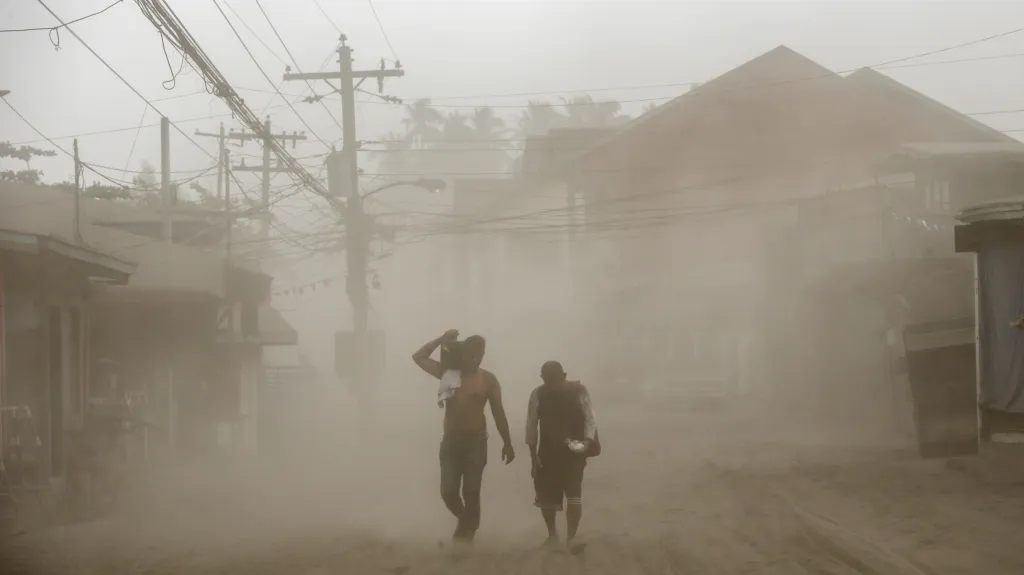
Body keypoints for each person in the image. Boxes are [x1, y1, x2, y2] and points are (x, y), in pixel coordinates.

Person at [412, 329, 515, 544]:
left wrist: (507, 442)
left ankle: (466, 536)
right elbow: (418, 357)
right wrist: (441, 339)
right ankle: (467, 521)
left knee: (471, 489)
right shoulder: (449, 374)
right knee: (448, 492)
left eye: (480, 355)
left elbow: (498, 411)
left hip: (476, 441)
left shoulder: (487, 379)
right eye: (471, 355)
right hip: (451, 441)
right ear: (462, 354)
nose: (476, 359)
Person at [526, 361, 598, 550]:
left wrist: (588, 443)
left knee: (574, 491)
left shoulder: (579, 391)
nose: (552, 384)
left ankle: (571, 537)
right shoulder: (538, 394)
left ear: (564, 376)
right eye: (548, 380)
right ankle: (552, 535)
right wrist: (533, 457)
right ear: (542, 379)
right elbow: (531, 426)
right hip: (547, 452)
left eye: (555, 379)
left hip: (573, 452)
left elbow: (590, 418)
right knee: (546, 496)